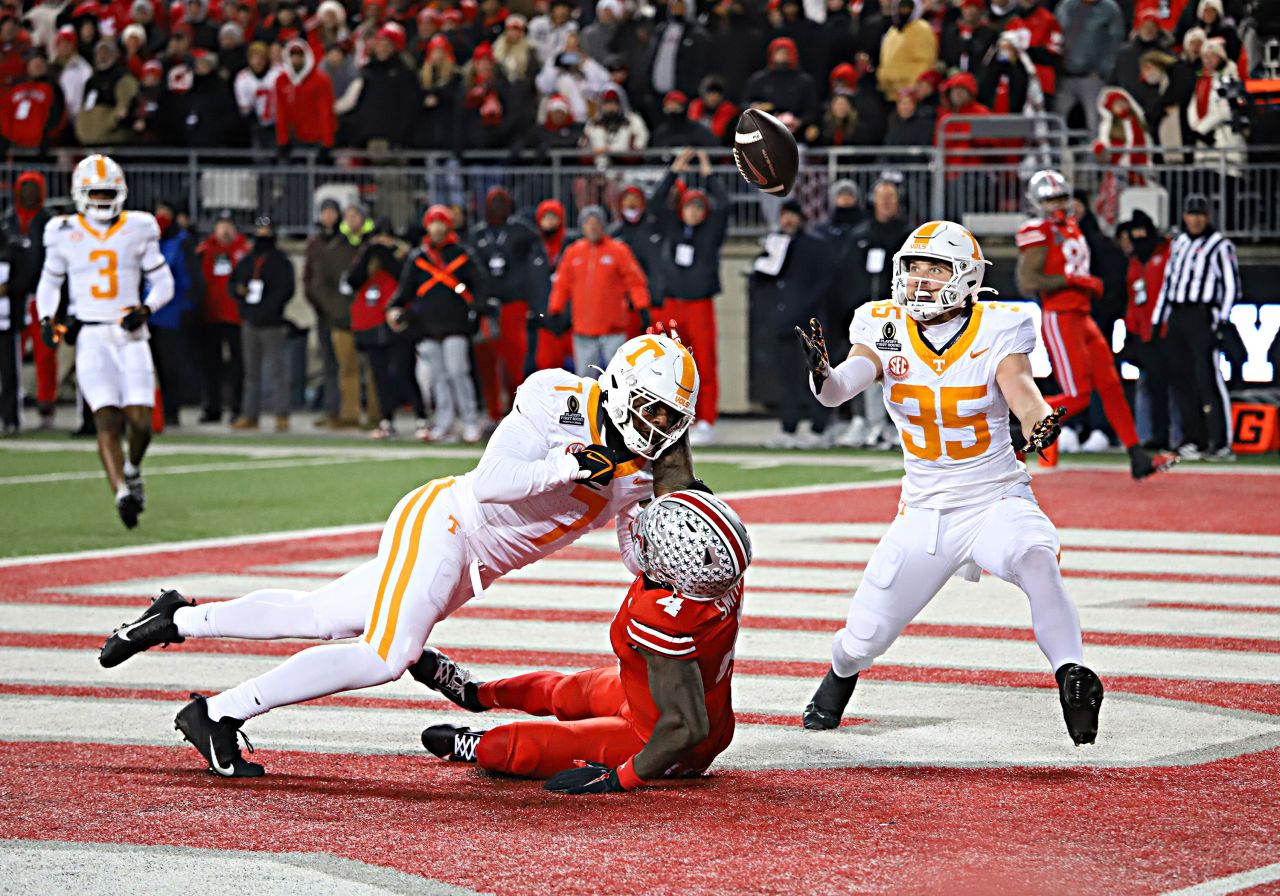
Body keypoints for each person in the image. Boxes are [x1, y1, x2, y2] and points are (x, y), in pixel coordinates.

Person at [96, 334, 703, 779]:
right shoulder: (558, 397)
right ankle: (220, 714)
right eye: (653, 409)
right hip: (447, 521)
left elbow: (631, 551)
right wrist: (569, 464)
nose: (661, 427)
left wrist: (659, 532)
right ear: (623, 389)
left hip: (472, 564)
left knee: (316, 616)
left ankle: (176, 617)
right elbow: (492, 480)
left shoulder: (637, 474)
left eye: (673, 418)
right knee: (389, 654)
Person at [794, 220, 1104, 747]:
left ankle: (1072, 674)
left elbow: (1022, 389)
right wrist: (824, 374)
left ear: (965, 276)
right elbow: (842, 387)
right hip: (926, 511)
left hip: (994, 495)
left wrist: (1037, 420)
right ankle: (839, 677)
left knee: (1035, 557)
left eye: (935, 268)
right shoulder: (882, 323)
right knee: (864, 638)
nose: (920, 279)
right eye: (913, 267)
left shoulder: (997, 327)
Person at [415, 489, 751, 791]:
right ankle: (475, 694)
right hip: (651, 695)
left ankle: (475, 744)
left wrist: (621, 779)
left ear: (672, 570)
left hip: (660, 738)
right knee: (565, 692)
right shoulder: (714, 574)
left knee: (508, 748)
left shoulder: (665, 620)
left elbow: (686, 728)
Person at [35, 154, 175, 529]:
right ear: (80, 193)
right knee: (106, 419)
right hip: (92, 335)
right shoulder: (62, 231)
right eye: (94, 192)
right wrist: (46, 318)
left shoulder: (138, 227)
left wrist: (145, 308)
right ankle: (122, 495)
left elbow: (164, 282)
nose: (100, 199)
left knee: (141, 421)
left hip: (130, 333)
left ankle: (132, 469)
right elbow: (50, 282)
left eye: (106, 192)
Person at [1015, 170, 1173, 479]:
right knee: (1078, 395)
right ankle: (1012, 430)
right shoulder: (1038, 231)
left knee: (1112, 386)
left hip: (1082, 316)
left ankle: (1136, 455)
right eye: (1050, 200)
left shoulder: (1071, 227)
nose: (1058, 205)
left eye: (1061, 197)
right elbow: (1027, 279)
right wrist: (1074, 280)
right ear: (1036, 203)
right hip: (1060, 317)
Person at [387, 205, 486, 444]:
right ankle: (445, 423)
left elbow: (480, 285)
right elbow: (405, 290)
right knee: (438, 378)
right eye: (433, 222)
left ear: (448, 225)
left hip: (456, 326)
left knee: (458, 373)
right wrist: (393, 307)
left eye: (441, 222)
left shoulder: (462, 254)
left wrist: (476, 311)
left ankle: (470, 421)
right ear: (427, 226)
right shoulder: (418, 258)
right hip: (427, 328)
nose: (437, 227)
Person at [1152, 194, 1239, 461]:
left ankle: (1220, 442)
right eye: (1192, 214)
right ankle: (1193, 439)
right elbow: (1169, 282)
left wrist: (1222, 320)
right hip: (1178, 315)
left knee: (1208, 378)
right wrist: (1159, 319)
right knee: (1182, 380)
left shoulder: (1220, 245)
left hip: (1203, 315)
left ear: (1208, 217)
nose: (1196, 219)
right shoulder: (1178, 244)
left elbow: (1231, 285)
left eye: (1201, 214)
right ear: (1185, 217)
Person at [651, 149, 728, 446]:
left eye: (698, 208)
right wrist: (675, 170)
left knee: (704, 362)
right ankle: (668, 416)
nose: (693, 212)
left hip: (699, 303)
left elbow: (724, 206)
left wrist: (707, 173)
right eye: (689, 207)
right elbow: (657, 202)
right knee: (669, 364)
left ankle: (706, 420)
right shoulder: (672, 227)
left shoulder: (711, 232)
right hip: (672, 303)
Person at [749, 198, 832, 448]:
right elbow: (760, 279)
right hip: (783, 322)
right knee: (786, 379)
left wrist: (806, 309)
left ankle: (819, 428)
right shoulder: (774, 245)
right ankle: (789, 426)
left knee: (815, 375)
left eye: (792, 215)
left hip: (808, 323)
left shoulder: (815, 246)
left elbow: (824, 283)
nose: (787, 220)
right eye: (784, 215)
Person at [548, 206, 651, 380]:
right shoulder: (573, 252)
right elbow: (561, 284)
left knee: (617, 379)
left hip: (613, 329)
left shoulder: (618, 250)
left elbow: (635, 282)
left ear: (603, 225)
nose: (593, 226)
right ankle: (589, 408)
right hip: (583, 329)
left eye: (596, 222)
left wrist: (642, 307)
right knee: (585, 380)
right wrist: (555, 309)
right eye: (588, 223)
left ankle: (616, 408)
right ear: (582, 226)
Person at [469, 187, 545, 420]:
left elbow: (537, 264)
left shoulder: (522, 231)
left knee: (515, 362)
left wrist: (535, 304)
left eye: (502, 202)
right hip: (487, 309)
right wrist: (476, 304)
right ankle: (493, 414)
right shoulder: (477, 235)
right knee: (487, 363)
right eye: (494, 202)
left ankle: (516, 413)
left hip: (515, 306)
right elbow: (470, 273)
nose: (498, 207)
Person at [305, 200, 368, 428]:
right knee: (337, 366)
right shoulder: (322, 246)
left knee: (367, 368)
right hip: (334, 316)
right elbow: (315, 283)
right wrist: (332, 309)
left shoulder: (364, 246)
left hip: (363, 317)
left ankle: (373, 416)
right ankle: (340, 413)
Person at [229, 216, 295, 433]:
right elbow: (234, 284)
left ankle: (281, 414)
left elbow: (285, 290)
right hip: (250, 322)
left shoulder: (281, 262)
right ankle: (250, 415)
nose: (263, 235)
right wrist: (241, 294)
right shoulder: (247, 260)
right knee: (251, 373)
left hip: (272, 323)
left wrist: (266, 309)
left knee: (277, 371)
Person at [1121, 210, 1174, 451]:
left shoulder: (1167, 252)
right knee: (1151, 386)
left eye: (1143, 230)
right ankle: (1153, 436)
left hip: (1168, 330)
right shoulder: (1135, 259)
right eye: (1136, 232)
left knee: (1178, 386)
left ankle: (1182, 436)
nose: (1140, 236)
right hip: (1145, 334)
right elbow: (1133, 297)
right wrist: (1132, 330)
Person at [148, 200, 203, 428]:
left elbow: (192, 279)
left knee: (170, 368)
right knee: (146, 369)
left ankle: (171, 411)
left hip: (171, 314)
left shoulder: (181, 243)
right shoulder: (146, 241)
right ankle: (149, 414)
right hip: (147, 314)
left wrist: (187, 309)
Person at [7, 173, 52, 430]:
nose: (28, 194)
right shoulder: (9, 220)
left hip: (39, 295)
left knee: (45, 353)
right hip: (15, 296)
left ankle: (46, 405)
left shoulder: (47, 222)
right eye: (24, 188)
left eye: (33, 188)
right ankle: (11, 408)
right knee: (11, 353)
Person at [195, 211, 250, 424]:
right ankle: (212, 406)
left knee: (238, 365)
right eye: (221, 225)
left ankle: (237, 407)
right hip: (210, 316)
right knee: (211, 365)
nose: (225, 230)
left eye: (229, 225)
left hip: (237, 317)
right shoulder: (204, 251)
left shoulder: (244, 252)